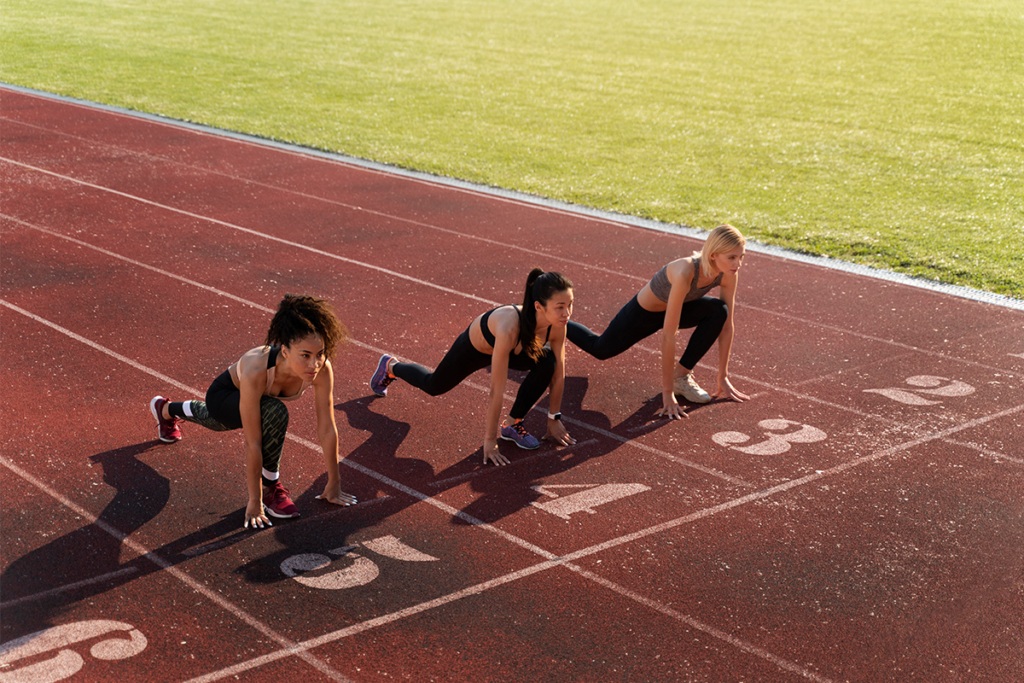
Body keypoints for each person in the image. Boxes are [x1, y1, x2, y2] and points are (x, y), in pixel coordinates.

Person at [148, 294, 357, 529]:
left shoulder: (321, 369)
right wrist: (255, 501)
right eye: (305, 356)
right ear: (286, 351)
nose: (314, 364)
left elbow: (327, 428)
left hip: (258, 399)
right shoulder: (257, 367)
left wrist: (334, 483)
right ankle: (271, 491)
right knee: (263, 413)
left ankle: (166, 409)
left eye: (320, 354)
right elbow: (252, 442)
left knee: (256, 413)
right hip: (224, 395)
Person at [370, 269, 576, 466]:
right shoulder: (510, 326)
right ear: (539, 306)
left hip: (515, 350)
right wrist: (489, 440)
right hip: (475, 350)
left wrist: (553, 418)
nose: (567, 313)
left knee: (549, 363)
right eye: (560, 306)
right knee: (433, 386)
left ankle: (513, 423)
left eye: (570, 304)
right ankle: (391, 367)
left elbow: (558, 376)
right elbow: (497, 389)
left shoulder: (557, 327)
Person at [567, 224, 750, 419]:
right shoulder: (686, 271)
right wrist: (667, 392)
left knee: (719, 312)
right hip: (644, 313)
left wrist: (722, 377)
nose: (737, 263)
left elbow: (727, 327)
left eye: (741, 257)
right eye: (732, 257)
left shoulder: (728, 274)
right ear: (713, 254)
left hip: (678, 308)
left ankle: (680, 376)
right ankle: (551, 323)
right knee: (600, 349)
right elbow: (669, 335)